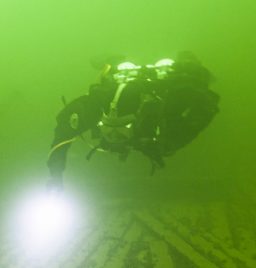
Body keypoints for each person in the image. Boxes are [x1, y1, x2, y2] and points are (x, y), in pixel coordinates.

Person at [45, 52, 220, 191]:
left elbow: (207, 106)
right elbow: (63, 134)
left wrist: (171, 142)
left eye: (123, 127)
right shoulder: (96, 104)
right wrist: (55, 174)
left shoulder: (160, 103)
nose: (116, 133)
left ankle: (186, 60)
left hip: (156, 127)